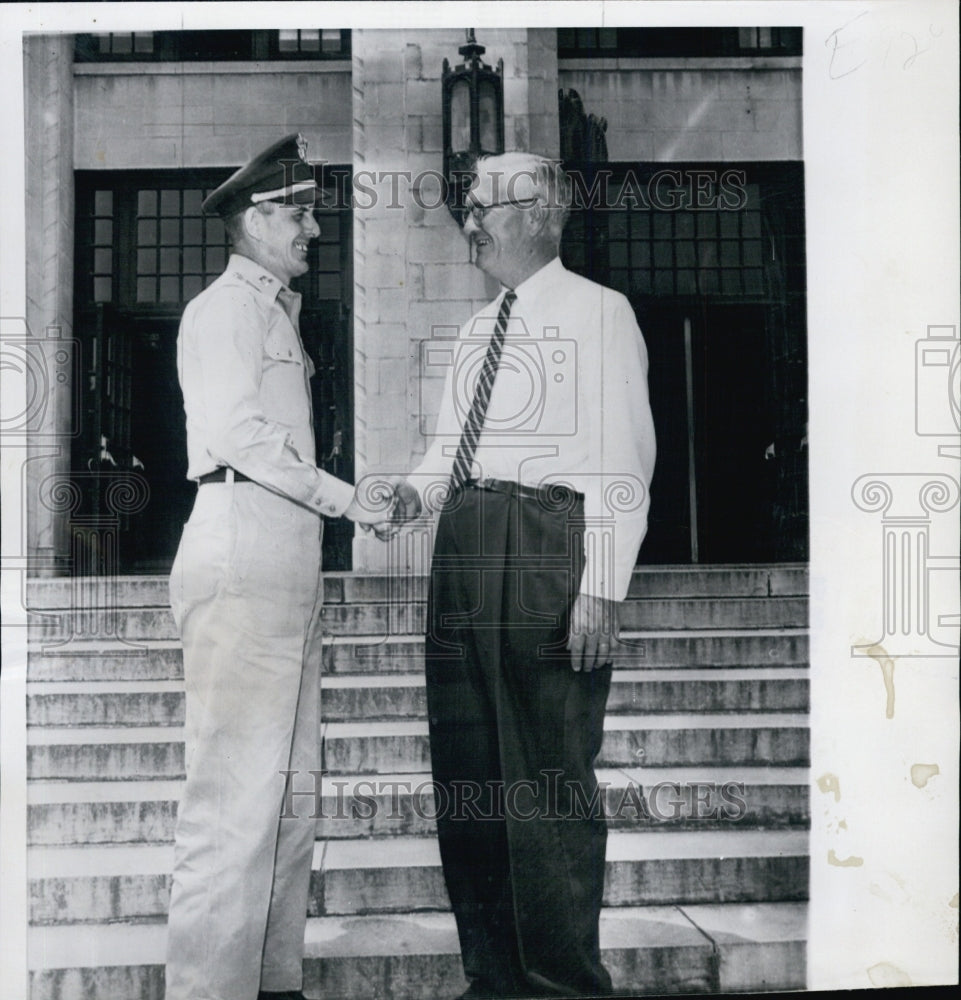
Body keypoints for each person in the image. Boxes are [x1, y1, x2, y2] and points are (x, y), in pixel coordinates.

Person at [392, 152, 656, 998]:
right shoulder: (475, 329)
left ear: (541, 215)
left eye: (482, 208)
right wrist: (402, 496)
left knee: (545, 779)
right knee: (467, 775)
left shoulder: (599, 312)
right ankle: (493, 978)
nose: (468, 222)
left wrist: (601, 583)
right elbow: (446, 452)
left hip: (546, 541)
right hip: (465, 545)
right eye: (464, 209)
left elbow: (626, 455)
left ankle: (561, 983)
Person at [166, 133, 395, 1000]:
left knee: (289, 795)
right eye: (298, 213)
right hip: (242, 543)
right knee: (233, 797)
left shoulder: (273, 313)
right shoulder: (222, 311)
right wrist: (349, 498)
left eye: (311, 212)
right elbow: (239, 436)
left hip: (282, 555)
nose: (313, 230)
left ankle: (270, 981)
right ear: (254, 219)